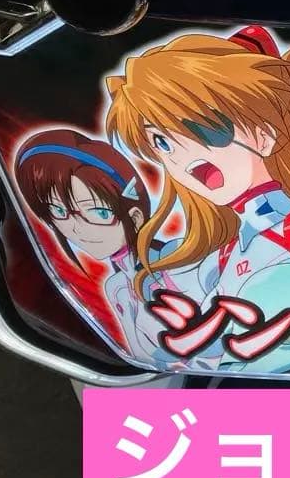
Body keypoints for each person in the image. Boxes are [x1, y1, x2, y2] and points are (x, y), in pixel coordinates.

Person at [104, 26, 290, 359]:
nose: (184, 158)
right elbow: (202, 348)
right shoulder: (223, 256)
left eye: (203, 127)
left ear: (264, 133)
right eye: (162, 143)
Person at [13, 128, 187, 363]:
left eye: (99, 212)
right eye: (58, 211)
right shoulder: (116, 288)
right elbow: (138, 359)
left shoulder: (178, 257)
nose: (76, 228)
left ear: (135, 216)